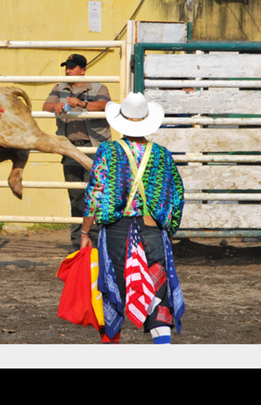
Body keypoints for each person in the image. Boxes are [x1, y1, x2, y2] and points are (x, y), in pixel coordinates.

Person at [80, 93, 186, 344]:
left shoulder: (109, 150)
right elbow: (177, 195)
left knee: (114, 287)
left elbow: (94, 192)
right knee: (157, 292)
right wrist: (167, 230)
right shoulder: (162, 155)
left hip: (117, 231)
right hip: (152, 230)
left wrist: (85, 233)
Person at [42, 54, 111, 251]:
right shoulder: (60, 88)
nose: (68, 71)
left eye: (72, 67)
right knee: (76, 197)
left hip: (94, 149)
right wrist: (55, 106)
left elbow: (105, 106)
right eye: (67, 67)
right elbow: (45, 106)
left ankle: (95, 242)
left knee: (95, 195)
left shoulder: (98, 88)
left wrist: (83, 104)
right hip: (70, 149)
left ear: (83, 70)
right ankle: (77, 245)